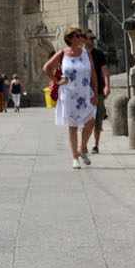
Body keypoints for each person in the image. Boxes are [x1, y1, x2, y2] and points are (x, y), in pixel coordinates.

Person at [43, 27, 96, 167]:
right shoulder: (62, 54)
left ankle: (81, 148)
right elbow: (47, 68)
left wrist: (95, 93)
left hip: (85, 94)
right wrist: (58, 81)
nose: (81, 38)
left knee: (90, 122)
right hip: (69, 94)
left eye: (81, 35)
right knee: (72, 126)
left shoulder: (86, 53)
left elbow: (93, 74)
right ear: (70, 38)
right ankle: (75, 157)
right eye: (78, 35)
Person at [83, 31, 110, 154]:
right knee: (85, 120)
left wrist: (107, 86)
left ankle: (96, 145)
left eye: (94, 38)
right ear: (84, 40)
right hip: (83, 92)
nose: (93, 40)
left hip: (98, 91)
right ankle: (83, 145)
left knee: (98, 119)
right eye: (91, 38)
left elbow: (105, 70)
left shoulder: (99, 54)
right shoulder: (79, 54)